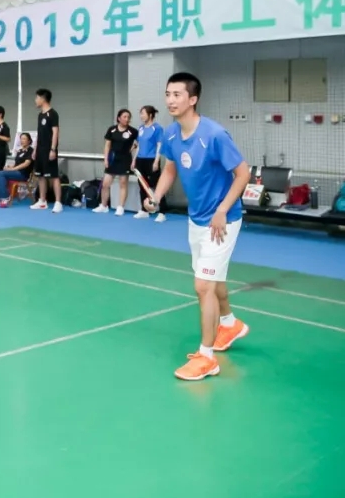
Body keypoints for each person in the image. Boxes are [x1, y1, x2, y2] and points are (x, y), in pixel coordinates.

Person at [144, 72, 251, 381]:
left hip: (222, 221)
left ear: (193, 99)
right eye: (168, 94)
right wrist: (157, 197)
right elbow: (170, 169)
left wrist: (222, 210)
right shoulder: (171, 134)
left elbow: (243, 174)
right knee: (213, 279)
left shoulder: (214, 134)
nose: (170, 100)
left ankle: (207, 358)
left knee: (203, 285)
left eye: (177, 94)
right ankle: (229, 324)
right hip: (197, 219)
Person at [93, 109, 138, 216]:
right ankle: (103, 206)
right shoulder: (112, 130)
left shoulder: (133, 131)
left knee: (123, 183)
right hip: (112, 159)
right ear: (119, 118)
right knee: (105, 184)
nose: (127, 119)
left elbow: (139, 143)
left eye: (128, 117)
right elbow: (107, 145)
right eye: (124, 117)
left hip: (125, 160)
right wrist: (106, 159)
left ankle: (120, 207)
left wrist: (133, 148)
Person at [31, 88, 63, 212]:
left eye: (37, 98)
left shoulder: (53, 114)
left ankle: (58, 202)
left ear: (43, 99)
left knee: (53, 176)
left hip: (49, 150)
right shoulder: (40, 115)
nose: (35, 100)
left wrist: (53, 149)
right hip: (40, 150)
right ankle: (42, 201)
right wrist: (35, 149)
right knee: (40, 175)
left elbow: (55, 133)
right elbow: (39, 134)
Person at [134, 105, 166, 222]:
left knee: (157, 185)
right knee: (142, 185)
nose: (141, 116)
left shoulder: (157, 128)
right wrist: (134, 160)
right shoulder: (141, 128)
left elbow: (159, 145)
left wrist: (156, 161)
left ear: (150, 115)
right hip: (140, 160)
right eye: (140, 113)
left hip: (152, 159)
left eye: (143, 113)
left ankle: (162, 212)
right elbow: (138, 146)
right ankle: (144, 211)